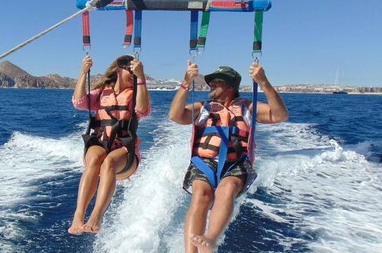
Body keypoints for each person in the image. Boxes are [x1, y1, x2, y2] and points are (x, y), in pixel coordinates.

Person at [168, 61, 288, 253]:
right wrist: (185, 81)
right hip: (203, 162)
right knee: (201, 195)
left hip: (235, 163)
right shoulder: (203, 107)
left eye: (217, 81)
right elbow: (175, 115)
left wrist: (263, 82)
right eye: (211, 81)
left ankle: (210, 239)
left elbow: (280, 115)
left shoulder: (247, 107)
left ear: (231, 87)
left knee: (228, 188)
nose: (211, 84)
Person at [68, 54, 150, 234]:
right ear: (117, 69)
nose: (131, 71)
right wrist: (83, 72)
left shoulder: (136, 92)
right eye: (127, 67)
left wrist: (141, 78)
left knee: (109, 162)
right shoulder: (101, 92)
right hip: (100, 143)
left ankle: (96, 215)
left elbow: (142, 110)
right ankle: (78, 215)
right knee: (96, 157)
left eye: (134, 69)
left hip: (125, 153)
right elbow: (79, 102)